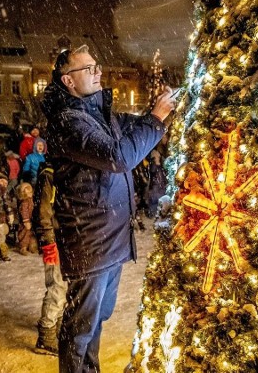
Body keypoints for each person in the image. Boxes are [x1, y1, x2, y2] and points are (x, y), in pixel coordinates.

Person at [41, 45, 175, 372]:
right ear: (68, 81)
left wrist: (158, 111)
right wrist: (156, 119)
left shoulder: (101, 114)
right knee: (80, 327)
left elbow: (135, 130)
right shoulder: (69, 122)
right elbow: (119, 157)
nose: (98, 72)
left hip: (110, 238)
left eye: (97, 66)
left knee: (97, 318)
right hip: (90, 241)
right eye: (88, 68)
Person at [32, 161, 67, 356]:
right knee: (57, 286)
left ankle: (58, 322)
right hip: (54, 239)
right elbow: (43, 211)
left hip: (66, 239)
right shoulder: (50, 174)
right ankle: (46, 333)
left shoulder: (65, 168)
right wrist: (47, 240)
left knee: (64, 285)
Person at [15, 182, 37, 255]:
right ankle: (23, 247)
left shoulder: (32, 199)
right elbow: (24, 211)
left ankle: (32, 246)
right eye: (26, 192)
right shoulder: (24, 202)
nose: (29, 193)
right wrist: (26, 220)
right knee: (24, 234)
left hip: (32, 220)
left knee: (31, 234)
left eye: (30, 191)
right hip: (26, 222)